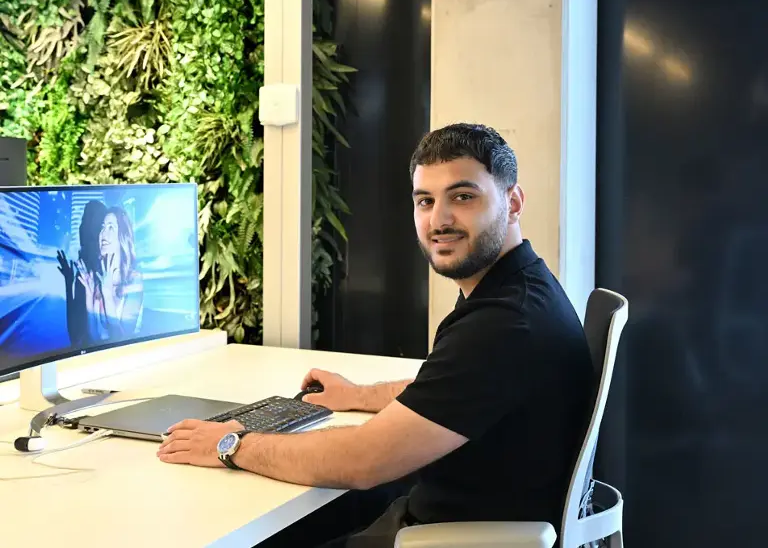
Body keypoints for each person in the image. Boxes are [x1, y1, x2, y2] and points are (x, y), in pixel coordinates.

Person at [158, 123, 595, 547]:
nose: (439, 219)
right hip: (452, 517)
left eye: (462, 196)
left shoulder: (504, 323)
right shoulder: (519, 288)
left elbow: (362, 461)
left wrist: (231, 444)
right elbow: (451, 390)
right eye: (425, 201)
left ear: (513, 202)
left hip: (447, 537)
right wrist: (357, 395)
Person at [78, 206, 144, 342]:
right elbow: (94, 337)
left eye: (111, 227)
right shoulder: (98, 279)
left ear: (122, 237)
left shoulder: (134, 280)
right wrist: (89, 296)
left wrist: (107, 294)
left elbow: (122, 340)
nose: (103, 233)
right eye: (102, 227)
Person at [57, 199, 107, 349]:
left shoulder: (102, 273)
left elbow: (76, 335)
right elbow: (75, 334)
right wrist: (69, 281)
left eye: (85, 221)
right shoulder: (85, 270)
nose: (80, 227)